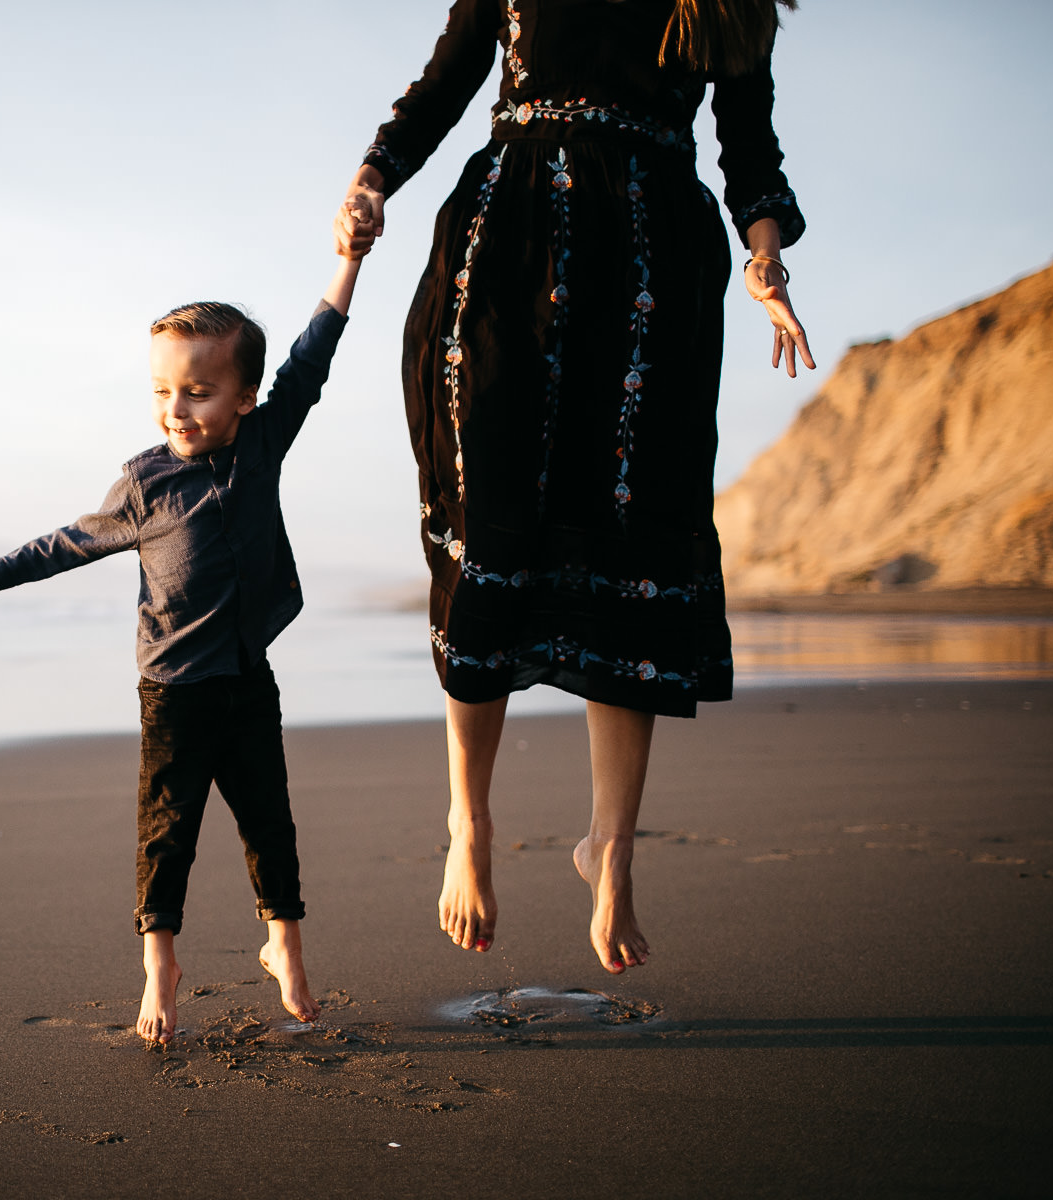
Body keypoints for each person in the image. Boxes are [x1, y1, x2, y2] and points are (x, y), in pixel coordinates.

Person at [335, 0, 815, 973]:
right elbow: (446, 81)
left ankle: (613, 850)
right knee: (489, 527)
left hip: (650, 266)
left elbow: (748, 140)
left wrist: (766, 256)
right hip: (508, 246)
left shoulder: (728, 0)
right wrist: (372, 180)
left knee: (629, 533)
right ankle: (469, 824)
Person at [0, 219, 372, 1042]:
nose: (175, 409)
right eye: (162, 391)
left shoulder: (263, 442)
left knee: (269, 821)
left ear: (243, 396)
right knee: (166, 834)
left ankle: (283, 945)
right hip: (173, 694)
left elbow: (311, 360)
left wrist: (347, 263)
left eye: (197, 391)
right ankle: (161, 965)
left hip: (247, 678)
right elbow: (72, 541)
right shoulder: (147, 483)